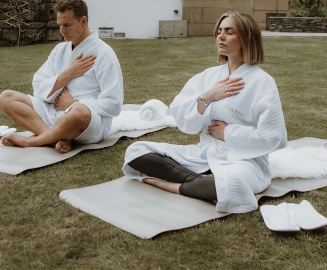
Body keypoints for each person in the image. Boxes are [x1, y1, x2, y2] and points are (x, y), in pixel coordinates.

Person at [122, 12, 287, 213]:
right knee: (136, 150)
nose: (221, 36)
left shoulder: (262, 82)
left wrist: (228, 133)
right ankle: (200, 183)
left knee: (230, 183)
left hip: (244, 161)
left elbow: (274, 137)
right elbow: (185, 122)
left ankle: (176, 185)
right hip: (204, 154)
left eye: (229, 32)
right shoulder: (209, 77)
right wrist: (207, 96)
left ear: (246, 37)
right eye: (219, 31)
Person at [0, 0, 124, 153]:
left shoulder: (104, 53)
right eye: (59, 25)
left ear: (83, 21)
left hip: (87, 121)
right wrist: (67, 74)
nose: (62, 31)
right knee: (6, 97)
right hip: (53, 111)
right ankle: (54, 139)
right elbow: (38, 88)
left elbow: (114, 105)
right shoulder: (60, 50)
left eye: (67, 25)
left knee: (79, 111)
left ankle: (33, 141)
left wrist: (74, 103)